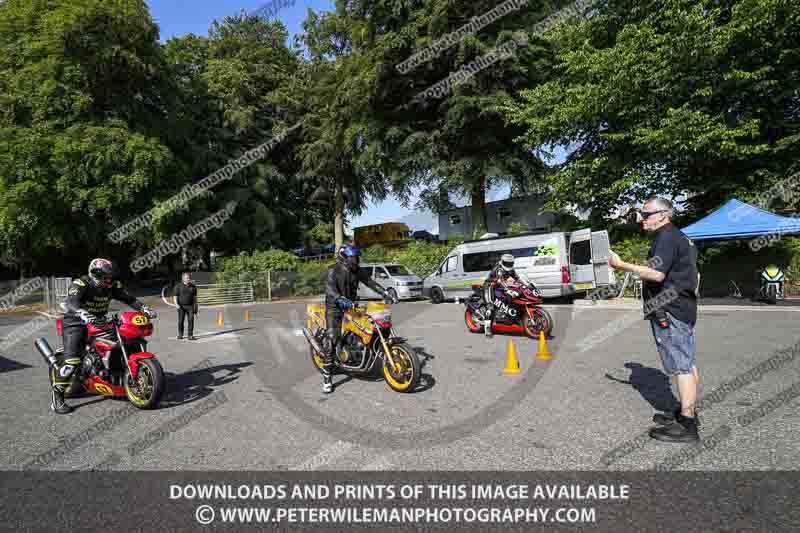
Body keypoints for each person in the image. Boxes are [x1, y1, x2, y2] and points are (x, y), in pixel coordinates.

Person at [608, 197, 701, 443]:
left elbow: (657, 274)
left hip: (670, 309)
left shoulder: (667, 237)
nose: (642, 218)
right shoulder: (680, 237)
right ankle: (686, 413)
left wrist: (621, 265)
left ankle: (689, 425)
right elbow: (693, 274)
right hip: (682, 307)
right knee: (688, 363)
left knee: (681, 367)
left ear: (663, 215)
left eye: (647, 213)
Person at [52, 258, 156, 414]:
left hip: (98, 321)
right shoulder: (81, 283)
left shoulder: (112, 285)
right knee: (72, 361)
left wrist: (144, 308)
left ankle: (117, 374)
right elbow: (71, 302)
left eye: (111, 276)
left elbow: (129, 298)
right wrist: (81, 312)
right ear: (96, 274)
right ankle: (57, 399)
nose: (110, 279)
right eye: (107, 276)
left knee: (126, 340)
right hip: (75, 322)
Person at [321, 245, 398, 393]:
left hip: (351, 305)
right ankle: (327, 378)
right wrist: (340, 299)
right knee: (332, 338)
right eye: (353, 258)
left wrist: (385, 293)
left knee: (368, 327)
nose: (356, 260)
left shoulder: (357, 270)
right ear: (344, 258)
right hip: (334, 307)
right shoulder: (333, 270)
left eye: (357, 258)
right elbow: (330, 290)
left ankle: (358, 352)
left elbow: (370, 282)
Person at [482, 254, 526, 338]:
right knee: (490, 307)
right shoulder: (498, 269)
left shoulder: (511, 269)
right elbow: (501, 281)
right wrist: (508, 290)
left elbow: (517, 279)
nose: (509, 265)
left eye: (510, 263)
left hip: (500, 286)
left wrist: (524, 286)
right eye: (507, 263)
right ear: (502, 262)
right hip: (490, 287)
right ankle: (487, 329)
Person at [175, 272, 198, 340]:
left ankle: (190, 335)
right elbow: (175, 296)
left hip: (190, 306)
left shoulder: (193, 287)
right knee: (181, 321)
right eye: (187, 278)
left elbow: (195, 297)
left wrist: (196, 306)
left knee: (191, 320)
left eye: (189, 278)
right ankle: (180, 334)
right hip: (181, 306)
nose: (188, 279)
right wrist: (176, 304)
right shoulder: (178, 286)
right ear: (183, 279)